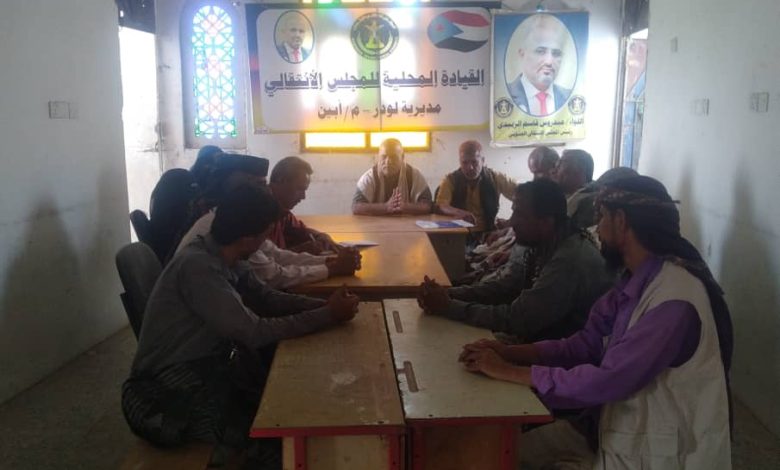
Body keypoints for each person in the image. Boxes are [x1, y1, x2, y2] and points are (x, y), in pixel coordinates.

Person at [460, 176, 733, 469]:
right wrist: (508, 353)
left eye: (601, 216)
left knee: (500, 458)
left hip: (662, 454)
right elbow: (584, 345)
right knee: (498, 453)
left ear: (621, 221)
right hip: (613, 428)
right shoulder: (634, 281)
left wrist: (507, 371)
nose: (596, 228)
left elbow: (608, 380)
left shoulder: (674, 301)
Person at [122, 185, 360, 454]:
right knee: (271, 434)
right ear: (248, 238)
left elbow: (266, 298)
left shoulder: (226, 254)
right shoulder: (198, 268)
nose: (266, 242)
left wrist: (325, 306)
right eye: (265, 235)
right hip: (168, 389)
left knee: (282, 396)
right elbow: (253, 332)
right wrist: (328, 314)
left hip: (206, 366)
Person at [418, 179, 613, 343]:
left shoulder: (569, 260)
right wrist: (448, 293)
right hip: (537, 341)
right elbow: (506, 287)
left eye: (519, 214)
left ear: (546, 222)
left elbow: (518, 319)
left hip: (560, 359)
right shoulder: (544, 241)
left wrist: (448, 306)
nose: (512, 222)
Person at [434, 140, 517, 233]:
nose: (470, 167)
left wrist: (511, 221)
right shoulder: (450, 180)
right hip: (458, 233)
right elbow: (440, 206)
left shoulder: (495, 178)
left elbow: (523, 197)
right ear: (460, 162)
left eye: (474, 162)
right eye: (465, 163)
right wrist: (461, 213)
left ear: (483, 160)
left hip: (489, 232)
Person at [268, 156, 344, 255]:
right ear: (282, 181)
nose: (303, 197)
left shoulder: (282, 211)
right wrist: (300, 250)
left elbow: (301, 231)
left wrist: (321, 236)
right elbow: (263, 260)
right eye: (300, 189)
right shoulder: (260, 210)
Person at [506, 14, 572, 116]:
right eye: (540, 51)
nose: (549, 62)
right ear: (522, 54)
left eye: (556, 53)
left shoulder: (570, 97)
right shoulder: (505, 94)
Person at [352, 138, 433, 216]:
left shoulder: (413, 175)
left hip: (406, 223)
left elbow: (428, 205)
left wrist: (405, 207)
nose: (388, 162)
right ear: (378, 157)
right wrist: (385, 207)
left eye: (393, 157)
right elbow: (356, 207)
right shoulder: (370, 177)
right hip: (376, 224)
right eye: (384, 157)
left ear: (402, 157)